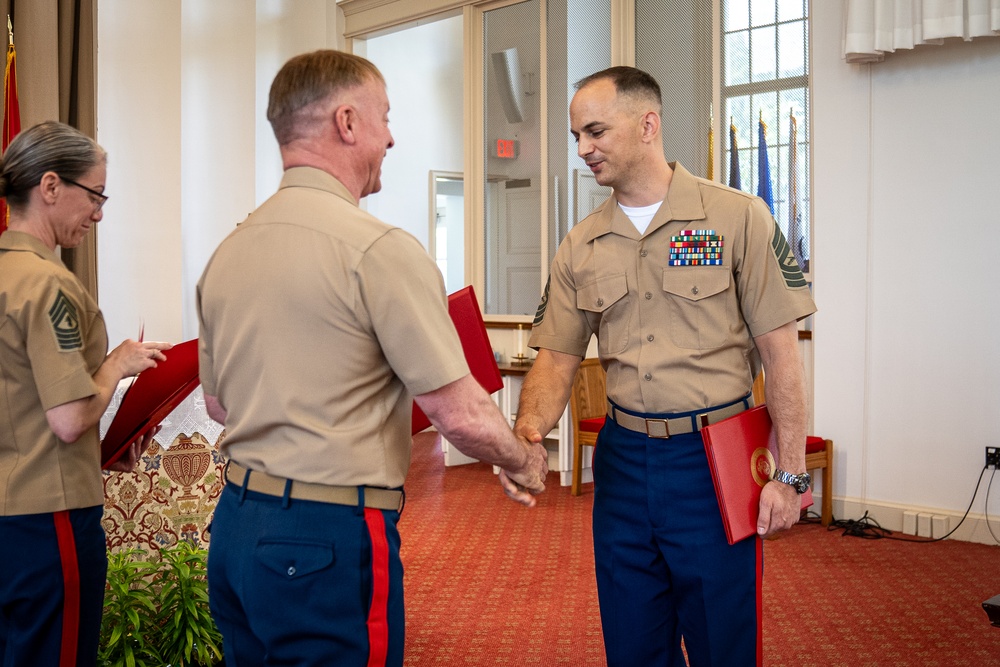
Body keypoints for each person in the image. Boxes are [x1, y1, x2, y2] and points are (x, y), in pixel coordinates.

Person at [196, 49, 548, 667]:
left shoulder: (228, 251)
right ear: (348, 122)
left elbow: (220, 404)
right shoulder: (379, 250)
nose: (392, 136)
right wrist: (523, 459)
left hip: (235, 528)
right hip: (325, 538)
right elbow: (459, 414)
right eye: (385, 117)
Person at [513, 67, 818, 666]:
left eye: (595, 131)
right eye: (577, 135)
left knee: (721, 640)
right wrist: (526, 438)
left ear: (647, 124)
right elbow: (556, 358)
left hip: (714, 460)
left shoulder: (736, 217)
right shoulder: (581, 244)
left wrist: (789, 473)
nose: (583, 150)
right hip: (624, 461)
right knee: (632, 641)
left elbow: (783, 353)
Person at [0, 121, 171, 667]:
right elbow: (70, 419)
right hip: (45, 517)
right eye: (95, 194)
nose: (99, 212)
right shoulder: (48, 284)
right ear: (50, 187)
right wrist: (117, 365)